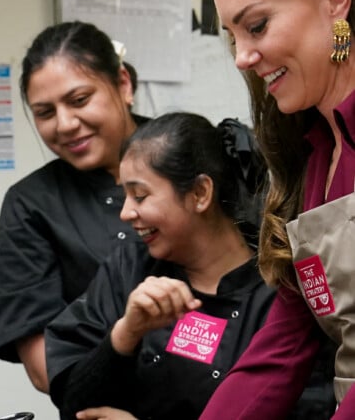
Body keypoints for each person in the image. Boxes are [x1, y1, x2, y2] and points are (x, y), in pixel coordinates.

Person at [199, 0, 355, 419]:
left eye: (257, 26)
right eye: (234, 36)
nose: (243, 56)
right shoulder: (313, 158)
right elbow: (282, 347)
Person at [45, 112, 283, 420]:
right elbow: (75, 405)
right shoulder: (127, 269)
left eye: (140, 196)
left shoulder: (277, 290)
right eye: (125, 196)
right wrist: (125, 334)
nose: (126, 213)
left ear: (200, 193)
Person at [0, 21, 148, 393]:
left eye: (79, 100)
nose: (66, 124)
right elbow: (46, 369)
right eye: (44, 113)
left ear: (123, 84)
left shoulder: (192, 156)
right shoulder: (30, 205)